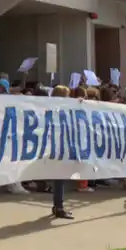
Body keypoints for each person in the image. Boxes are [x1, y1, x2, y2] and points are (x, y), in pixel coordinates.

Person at [46, 86, 75, 218]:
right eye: (67, 96)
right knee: (59, 178)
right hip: (57, 149)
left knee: (59, 178)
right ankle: (59, 207)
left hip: (59, 147)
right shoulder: (56, 110)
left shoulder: (56, 108)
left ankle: (58, 206)